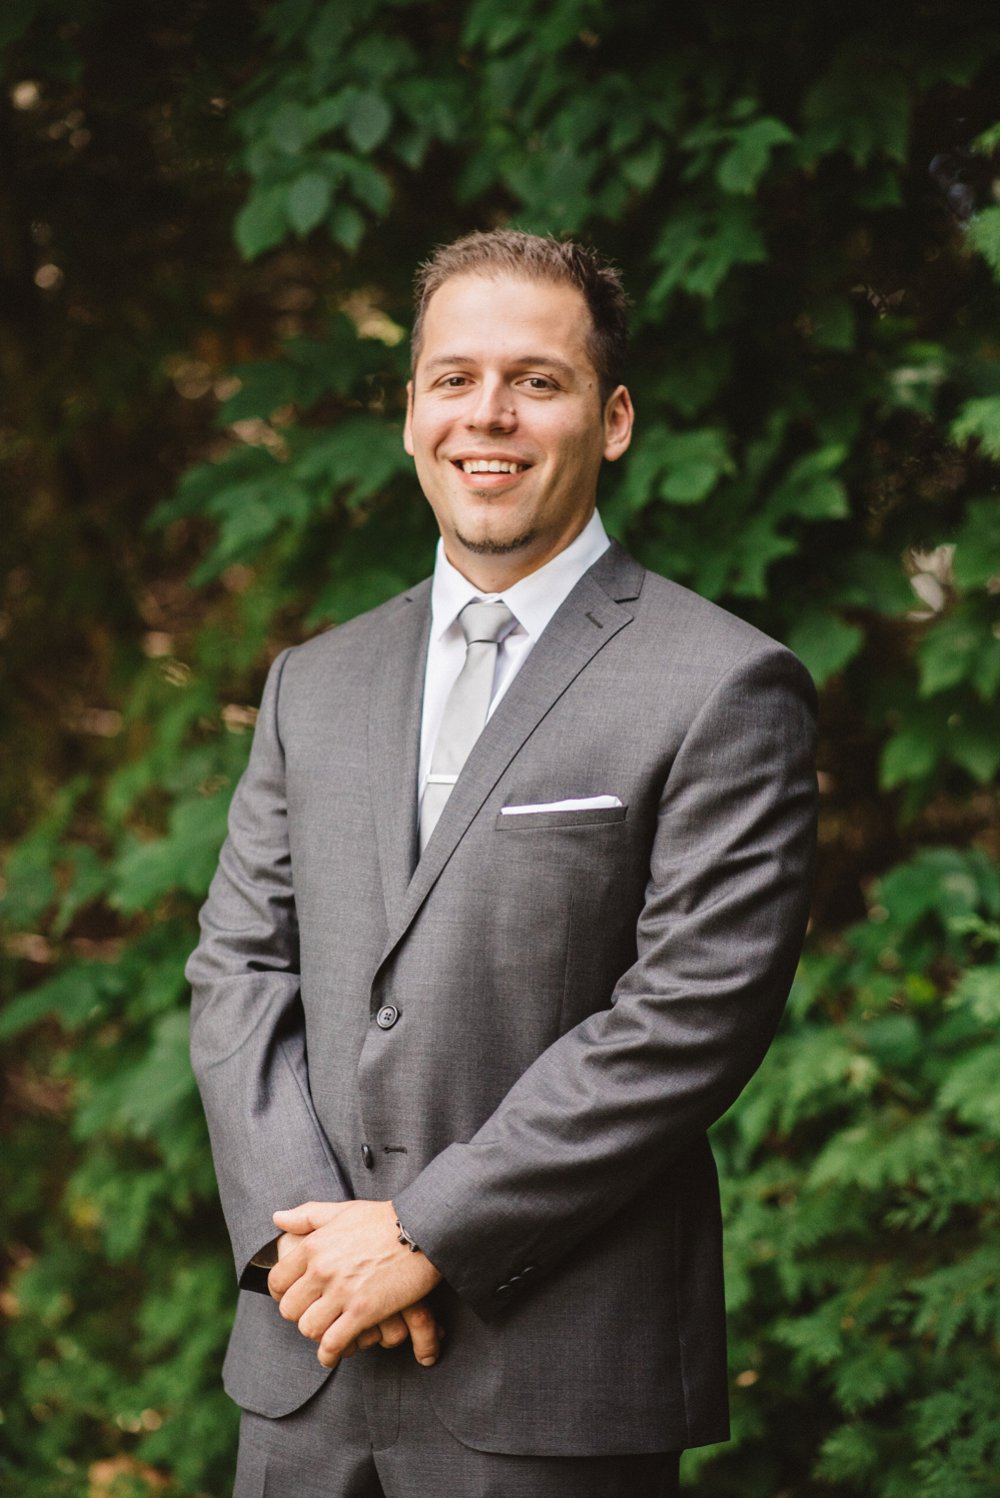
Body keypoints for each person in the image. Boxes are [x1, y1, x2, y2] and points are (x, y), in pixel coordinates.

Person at [187, 229, 817, 1498]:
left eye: (538, 379)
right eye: (454, 378)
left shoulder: (722, 684)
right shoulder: (316, 681)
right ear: (411, 410)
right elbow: (238, 970)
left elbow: (689, 1017)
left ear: (614, 416)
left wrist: (425, 1233)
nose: (491, 414)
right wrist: (309, 1251)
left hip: (551, 1381)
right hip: (304, 1367)